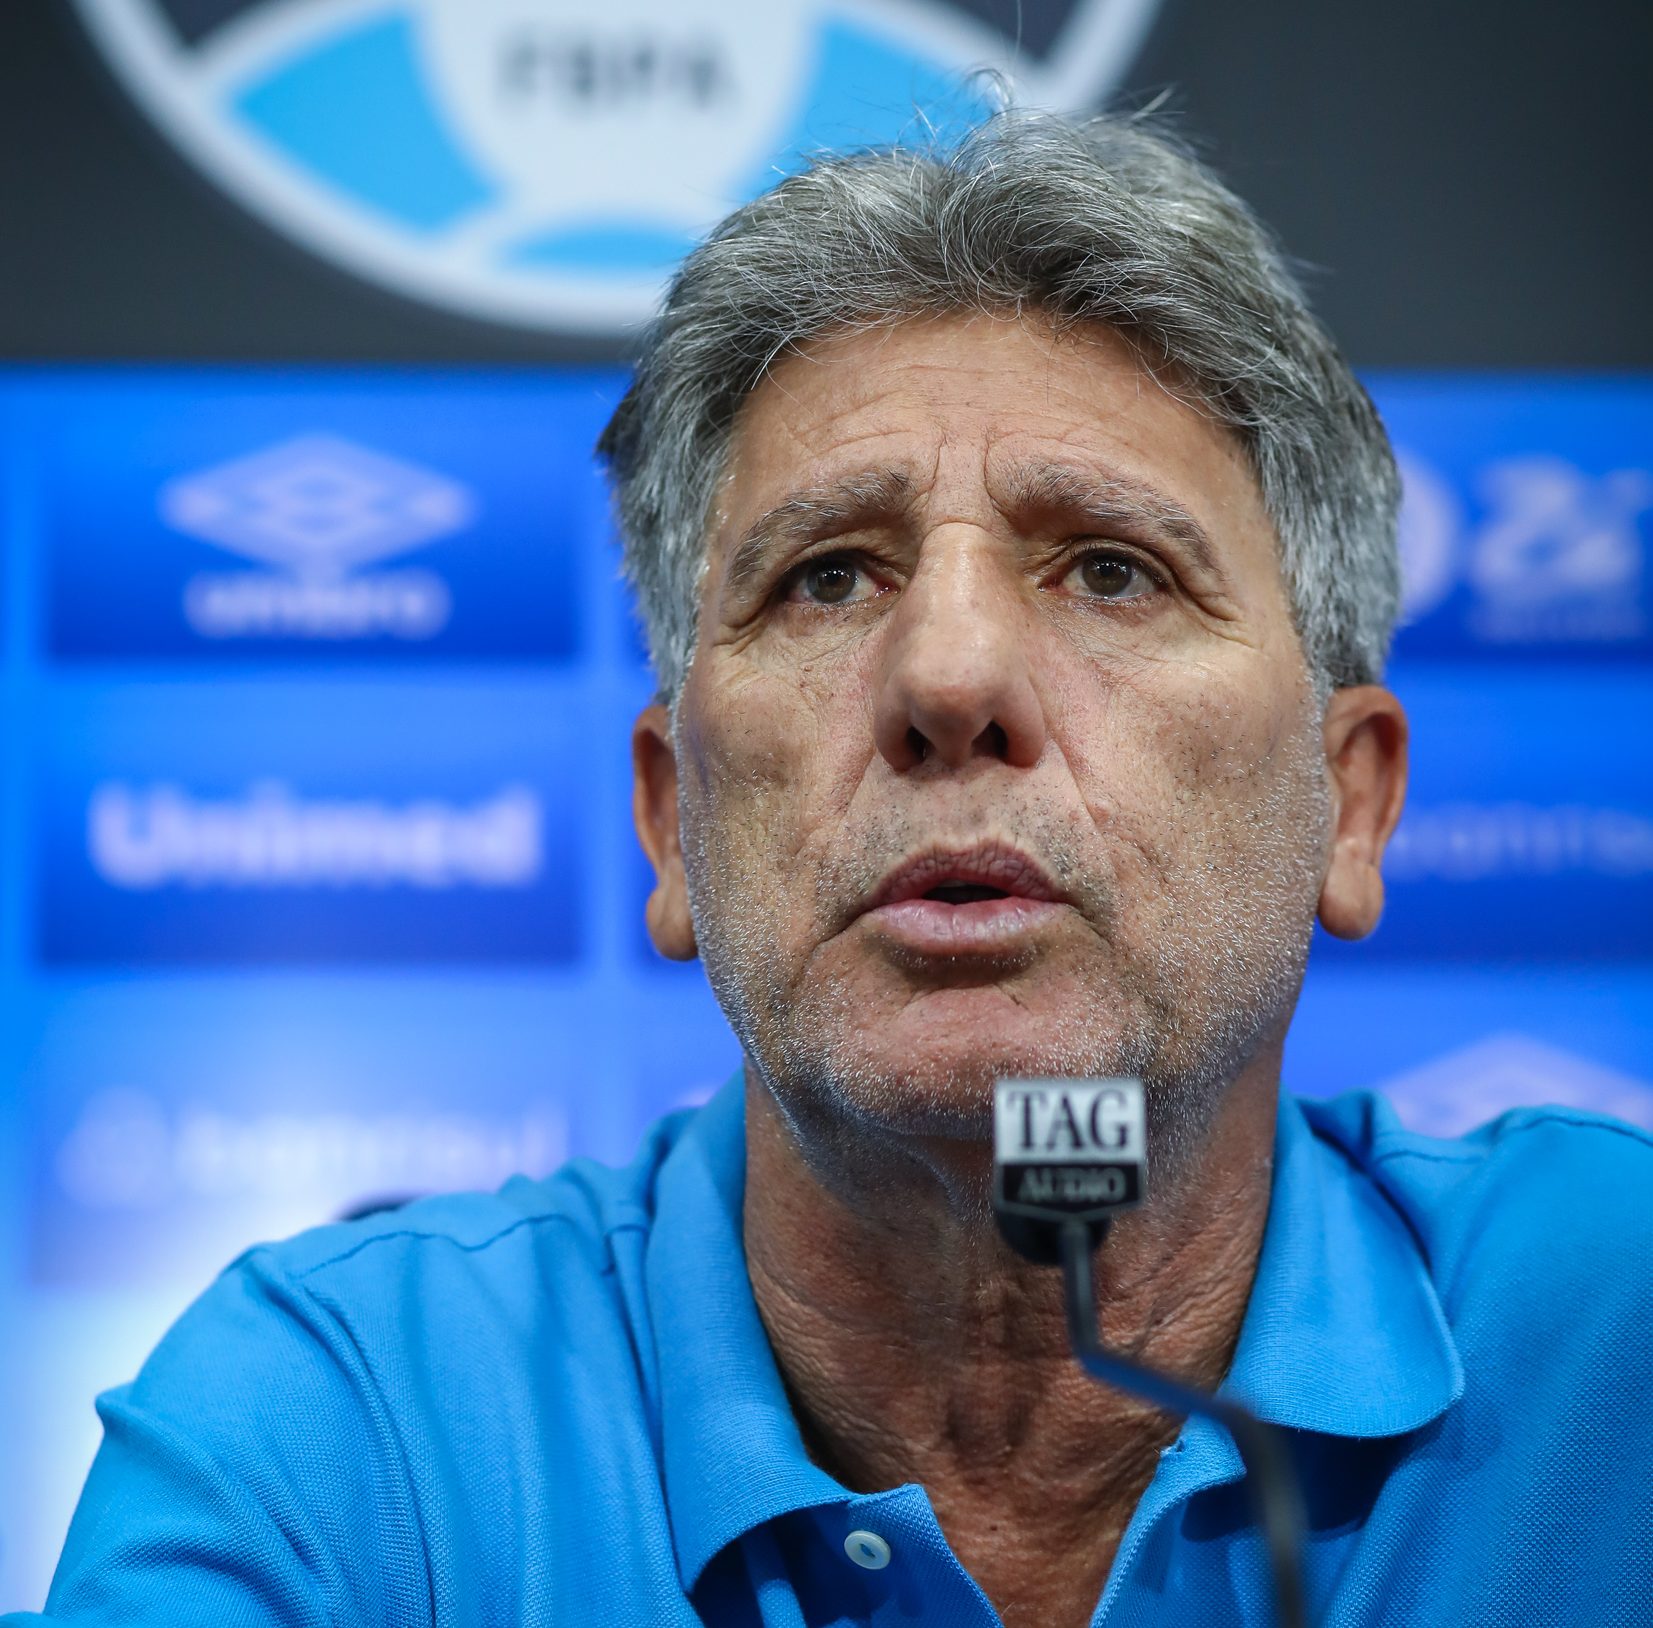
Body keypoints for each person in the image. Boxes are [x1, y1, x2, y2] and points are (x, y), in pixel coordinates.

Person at [8, 111, 1650, 1628]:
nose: (947, 678)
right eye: (826, 578)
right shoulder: (347, 1439)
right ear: (669, 823)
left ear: (1346, 806)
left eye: (1107, 567)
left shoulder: (1613, 1338)